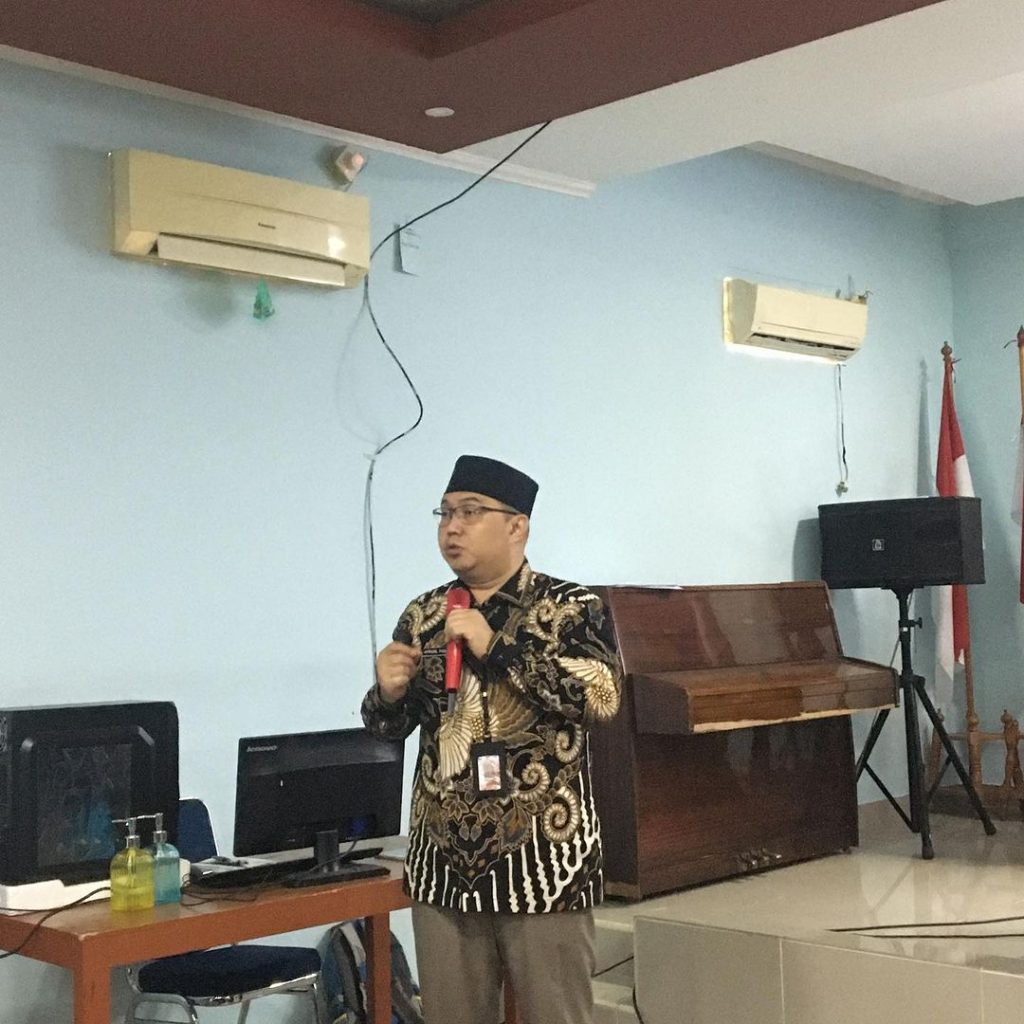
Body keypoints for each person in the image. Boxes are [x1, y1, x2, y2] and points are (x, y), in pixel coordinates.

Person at [362, 454, 622, 1024]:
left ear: (517, 526)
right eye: (445, 513)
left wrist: (496, 647)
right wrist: (387, 693)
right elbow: (388, 730)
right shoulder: (425, 614)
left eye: (470, 512)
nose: (452, 527)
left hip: (542, 864)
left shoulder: (571, 607)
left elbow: (601, 698)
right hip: (443, 867)